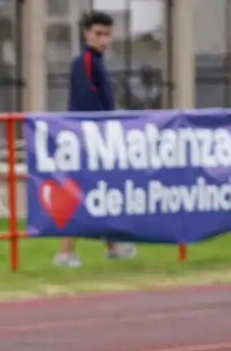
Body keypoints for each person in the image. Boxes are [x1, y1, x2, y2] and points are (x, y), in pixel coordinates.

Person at [56, 9, 136, 269]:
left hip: (96, 139)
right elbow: (88, 106)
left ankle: (112, 246)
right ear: (86, 34)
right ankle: (65, 253)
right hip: (86, 141)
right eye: (98, 33)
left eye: (107, 35)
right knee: (80, 194)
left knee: (99, 194)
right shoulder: (85, 63)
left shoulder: (96, 62)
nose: (104, 40)